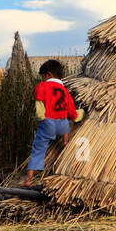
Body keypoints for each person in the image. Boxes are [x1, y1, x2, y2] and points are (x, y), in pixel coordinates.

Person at [23, 59, 83, 188]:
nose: (41, 80)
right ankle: (65, 140)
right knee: (65, 126)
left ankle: (28, 180)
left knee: (37, 151)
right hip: (62, 124)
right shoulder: (65, 91)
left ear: (48, 75)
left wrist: (41, 117)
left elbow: (39, 104)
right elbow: (72, 113)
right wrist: (81, 114)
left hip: (48, 123)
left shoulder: (42, 86)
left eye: (42, 77)